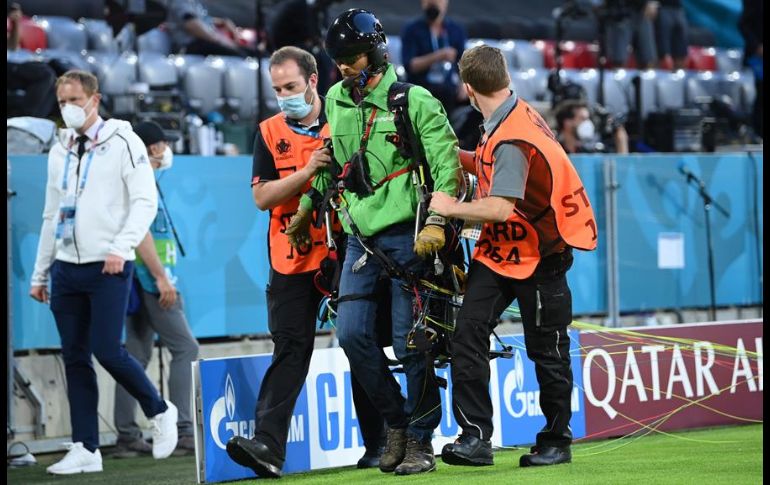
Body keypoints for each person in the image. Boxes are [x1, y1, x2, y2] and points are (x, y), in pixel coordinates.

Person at [285, 9, 460, 475]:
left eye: (352, 57)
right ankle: (398, 423)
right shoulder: (337, 100)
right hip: (361, 239)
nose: (343, 66)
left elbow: (448, 167)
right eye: (338, 59)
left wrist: (438, 221)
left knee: (412, 344)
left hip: (411, 235)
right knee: (352, 335)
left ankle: (422, 442)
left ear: (376, 51)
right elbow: (332, 164)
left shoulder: (414, 100)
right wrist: (307, 210)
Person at [429, 45, 597, 468]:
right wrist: (452, 158)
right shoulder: (509, 114)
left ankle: (556, 441)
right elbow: (490, 170)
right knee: (467, 334)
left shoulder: (511, 136)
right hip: (502, 251)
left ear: (467, 88)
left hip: (541, 255)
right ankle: (475, 438)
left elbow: (500, 206)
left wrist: (448, 207)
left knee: (548, 351)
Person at [225, 46, 385, 478]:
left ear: (314, 79)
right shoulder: (268, 131)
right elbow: (262, 197)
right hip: (291, 257)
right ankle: (268, 447)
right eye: (277, 89)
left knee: (360, 341)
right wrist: (307, 172)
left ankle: (379, 445)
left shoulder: (346, 118)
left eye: (291, 86)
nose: (284, 96)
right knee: (291, 349)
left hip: (346, 250)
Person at [29, 70, 178, 475]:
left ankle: (160, 409)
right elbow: (50, 212)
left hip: (109, 264)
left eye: (75, 100)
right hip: (65, 267)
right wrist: (40, 273)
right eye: (62, 102)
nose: (68, 109)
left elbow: (144, 201)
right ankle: (85, 447)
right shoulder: (59, 148)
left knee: (107, 350)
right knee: (74, 357)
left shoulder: (124, 141)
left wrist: (120, 246)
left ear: (94, 100)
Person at [112, 121, 200, 458]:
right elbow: (142, 235)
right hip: (151, 282)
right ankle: (183, 430)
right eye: (164, 143)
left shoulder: (141, 180)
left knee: (133, 356)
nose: (167, 149)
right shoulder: (143, 180)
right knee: (186, 348)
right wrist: (161, 279)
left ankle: (126, 435)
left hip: (142, 279)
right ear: (151, 148)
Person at [401, 0, 467, 115]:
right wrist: (438, 56)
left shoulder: (455, 30)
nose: (433, 5)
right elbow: (410, 65)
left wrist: (464, 84)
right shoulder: (412, 30)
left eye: (437, 2)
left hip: (449, 88)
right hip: (420, 86)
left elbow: (463, 63)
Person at [165, 0, 255, 57]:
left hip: (204, 43)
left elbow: (202, 20)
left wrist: (223, 22)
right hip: (190, 47)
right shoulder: (180, 2)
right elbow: (191, 24)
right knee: (240, 55)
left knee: (254, 53)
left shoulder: (195, 2)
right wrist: (219, 40)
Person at [554, 99, 629, 154]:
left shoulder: (590, 152)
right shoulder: (555, 151)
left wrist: (620, 137)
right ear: (567, 122)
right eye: (582, 119)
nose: (587, 123)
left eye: (588, 119)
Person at [604, 0, 659, 70]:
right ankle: (619, 80)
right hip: (620, 12)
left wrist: (652, 3)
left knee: (649, 61)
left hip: (642, 11)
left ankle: (646, 80)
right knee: (618, 60)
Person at [655, 0, 689, 70]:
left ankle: (679, 79)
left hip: (678, 8)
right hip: (662, 7)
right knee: (663, 52)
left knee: (681, 53)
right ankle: (662, 78)